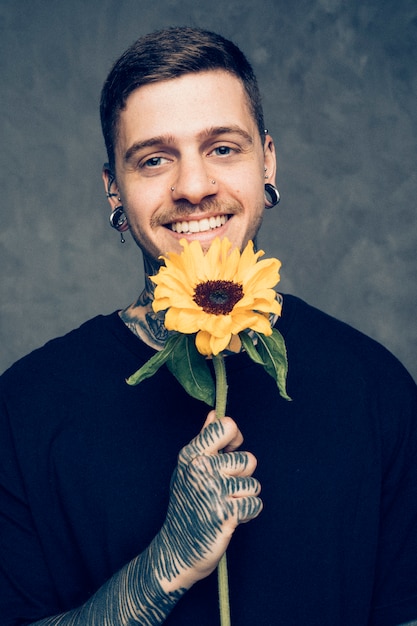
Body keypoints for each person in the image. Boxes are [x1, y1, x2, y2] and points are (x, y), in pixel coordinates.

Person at [0, 26, 416, 626]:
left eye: (222, 148)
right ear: (113, 189)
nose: (194, 186)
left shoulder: (376, 388)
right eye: (154, 159)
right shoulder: (25, 408)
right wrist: (162, 567)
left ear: (266, 160)